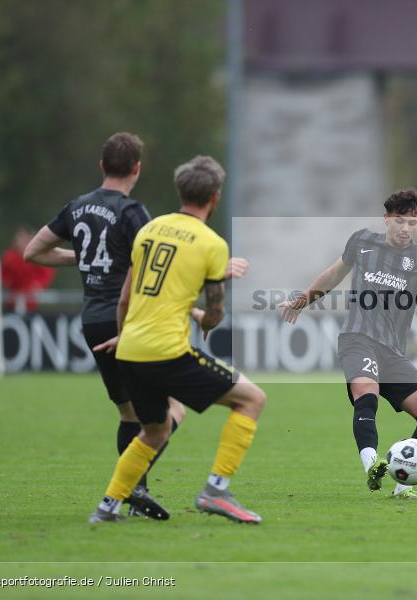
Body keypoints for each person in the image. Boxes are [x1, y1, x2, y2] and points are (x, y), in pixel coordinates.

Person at [88, 155, 265, 524]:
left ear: (180, 190)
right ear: (215, 197)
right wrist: (207, 315)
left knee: (154, 429)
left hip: (131, 347)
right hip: (167, 351)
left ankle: (107, 508)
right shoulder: (212, 244)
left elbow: (125, 298)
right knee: (251, 399)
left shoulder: (149, 230)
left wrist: (123, 336)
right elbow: (215, 314)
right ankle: (216, 491)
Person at [279, 188, 417, 500]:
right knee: (367, 394)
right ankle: (372, 464)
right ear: (386, 219)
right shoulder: (361, 242)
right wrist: (303, 301)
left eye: (412, 223)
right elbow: (334, 275)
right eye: (400, 221)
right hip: (357, 339)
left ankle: (402, 486)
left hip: (392, 351)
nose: (406, 228)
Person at [25, 132, 184, 519]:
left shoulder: (76, 207)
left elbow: (33, 251)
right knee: (170, 409)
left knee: (129, 414)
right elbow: (152, 265)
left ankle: (135, 494)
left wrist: (81, 259)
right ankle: (127, 489)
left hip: (93, 321)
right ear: (137, 168)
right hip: (127, 320)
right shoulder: (132, 213)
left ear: (102, 166)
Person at [0, 226, 55, 313]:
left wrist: (38, 284)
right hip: (12, 303)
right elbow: (4, 277)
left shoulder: (36, 255)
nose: (20, 241)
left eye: (23, 238)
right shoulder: (10, 256)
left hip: (31, 303)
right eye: (18, 238)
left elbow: (46, 274)